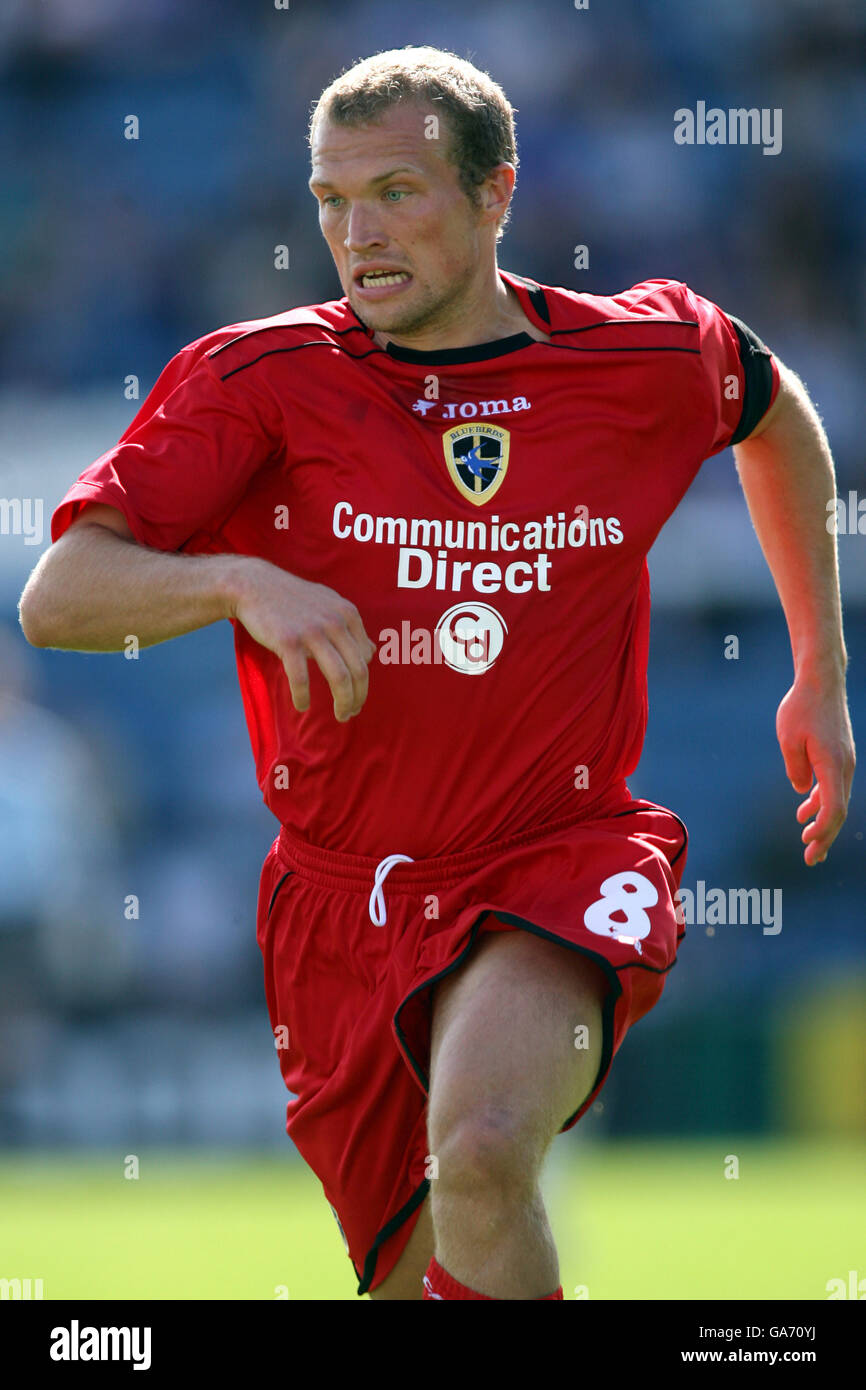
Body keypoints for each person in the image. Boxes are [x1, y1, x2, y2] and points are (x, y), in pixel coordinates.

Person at [18, 46, 854, 1301]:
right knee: (425, 1272)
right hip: (336, 906)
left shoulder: (638, 356)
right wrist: (240, 580)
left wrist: (817, 675)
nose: (357, 233)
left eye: (398, 191)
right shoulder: (258, 381)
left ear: (494, 192)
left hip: (557, 853)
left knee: (476, 1151)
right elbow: (58, 597)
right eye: (330, 199)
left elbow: (770, 408)